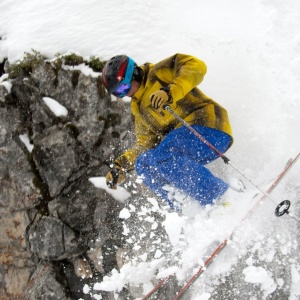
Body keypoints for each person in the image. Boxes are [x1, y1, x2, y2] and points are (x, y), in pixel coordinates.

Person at [102, 53, 233, 209]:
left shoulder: (157, 73)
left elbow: (196, 65)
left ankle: (221, 197)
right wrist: (121, 166)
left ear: (134, 74)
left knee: (163, 155)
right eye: (119, 93)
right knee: (144, 163)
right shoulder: (138, 108)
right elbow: (145, 142)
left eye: (124, 87)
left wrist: (170, 91)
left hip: (209, 126)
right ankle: (189, 208)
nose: (126, 93)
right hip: (184, 142)